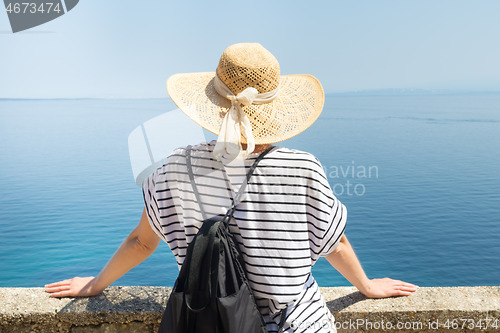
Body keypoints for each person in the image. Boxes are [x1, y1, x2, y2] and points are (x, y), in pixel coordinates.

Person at [45, 43, 418, 332]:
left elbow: (142, 241)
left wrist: (95, 284)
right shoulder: (302, 168)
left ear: (214, 105)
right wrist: (366, 285)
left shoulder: (173, 167)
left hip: (214, 324)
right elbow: (334, 242)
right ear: (275, 110)